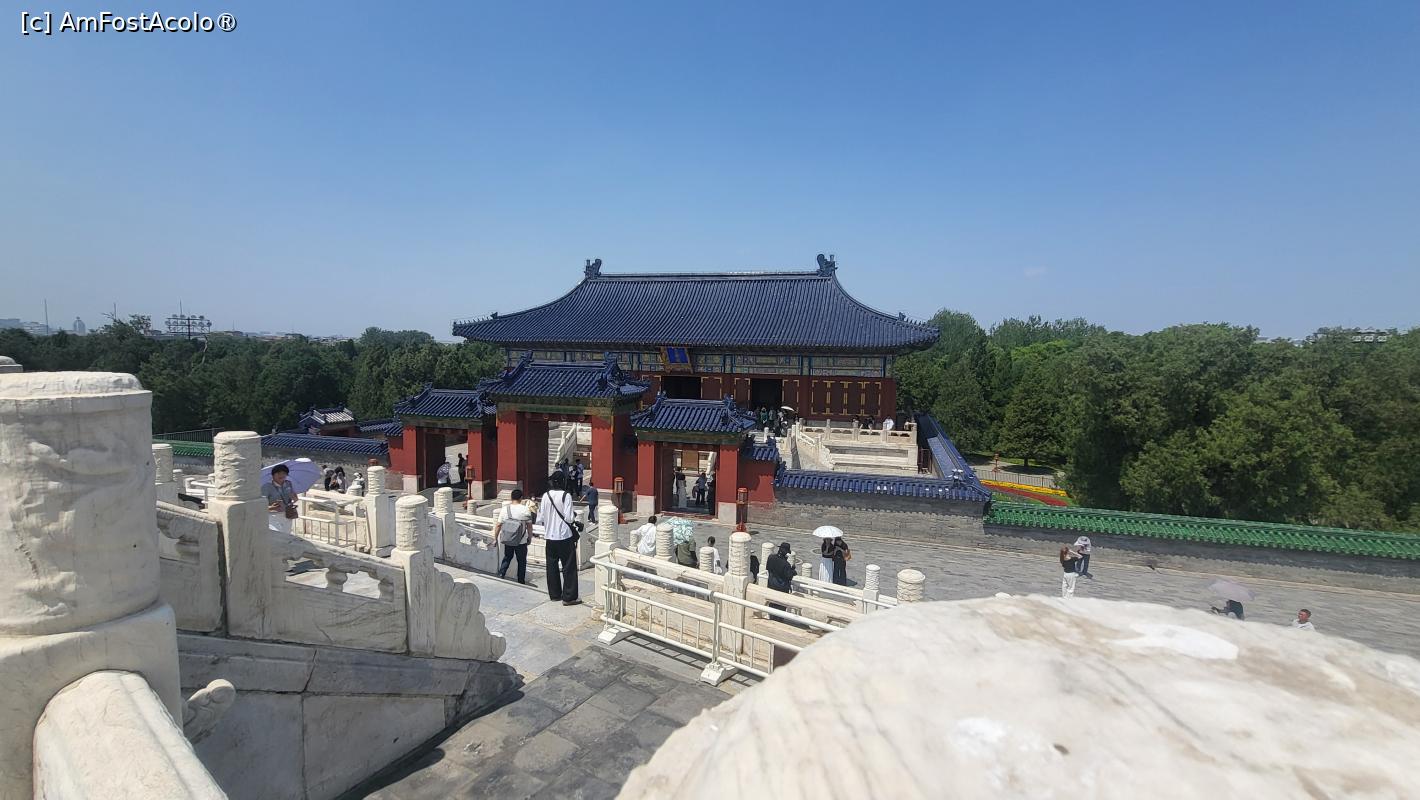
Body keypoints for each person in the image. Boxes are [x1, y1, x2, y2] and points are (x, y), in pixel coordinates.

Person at [536, 471, 581, 605]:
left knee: (551, 566)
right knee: (569, 567)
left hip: (550, 536)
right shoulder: (566, 496)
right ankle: (569, 597)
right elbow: (569, 518)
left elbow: (540, 518)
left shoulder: (545, 496)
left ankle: (555, 594)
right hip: (564, 536)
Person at [495, 489, 532, 584]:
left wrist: (495, 538)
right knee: (522, 561)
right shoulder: (525, 509)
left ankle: (501, 574)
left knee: (507, 557)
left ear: (511, 497)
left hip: (508, 539)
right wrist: (529, 537)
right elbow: (529, 526)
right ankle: (521, 580)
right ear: (521, 498)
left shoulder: (505, 509)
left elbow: (498, 525)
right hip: (521, 540)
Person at [262, 464, 299, 534]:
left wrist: (294, 498)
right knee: (277, 535)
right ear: (273, 475)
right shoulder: (266, 487)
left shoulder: (288, 484)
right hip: (273, 516)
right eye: (278, 473)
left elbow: (295, 499)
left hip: (287, 514)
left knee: (286, 535)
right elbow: (261, 505)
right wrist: (271, 507)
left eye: (284, 473)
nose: (281, 475)